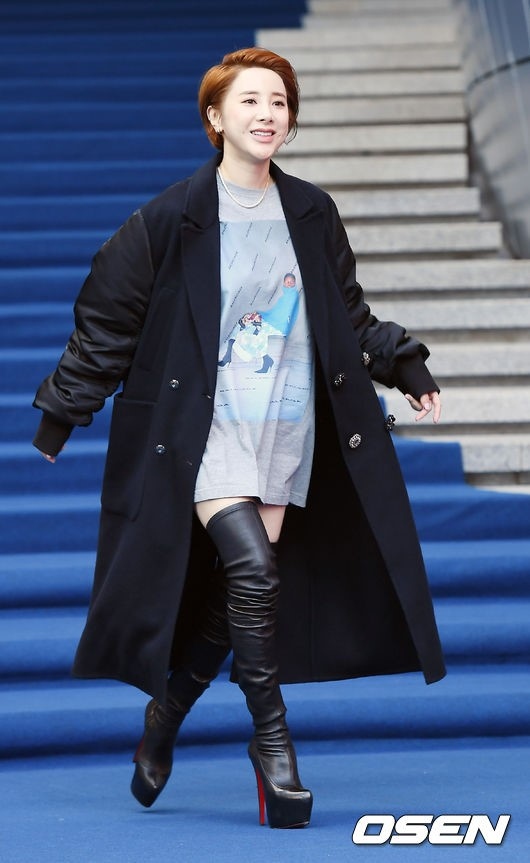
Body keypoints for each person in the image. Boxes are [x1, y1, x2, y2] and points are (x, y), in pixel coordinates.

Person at [32, 47, 445, 829]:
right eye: (250, 100)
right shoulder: (170, 218)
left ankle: (164, 717)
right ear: (215, 117)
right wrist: (64, 409)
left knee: (239, 595)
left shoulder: (311, 211)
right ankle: (273, 745)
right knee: (253, 567)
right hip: (204, 428)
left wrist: (404, 364)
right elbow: (108, 320)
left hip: (285, 426)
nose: (267, 114)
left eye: (280, 102)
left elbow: (347, 313)